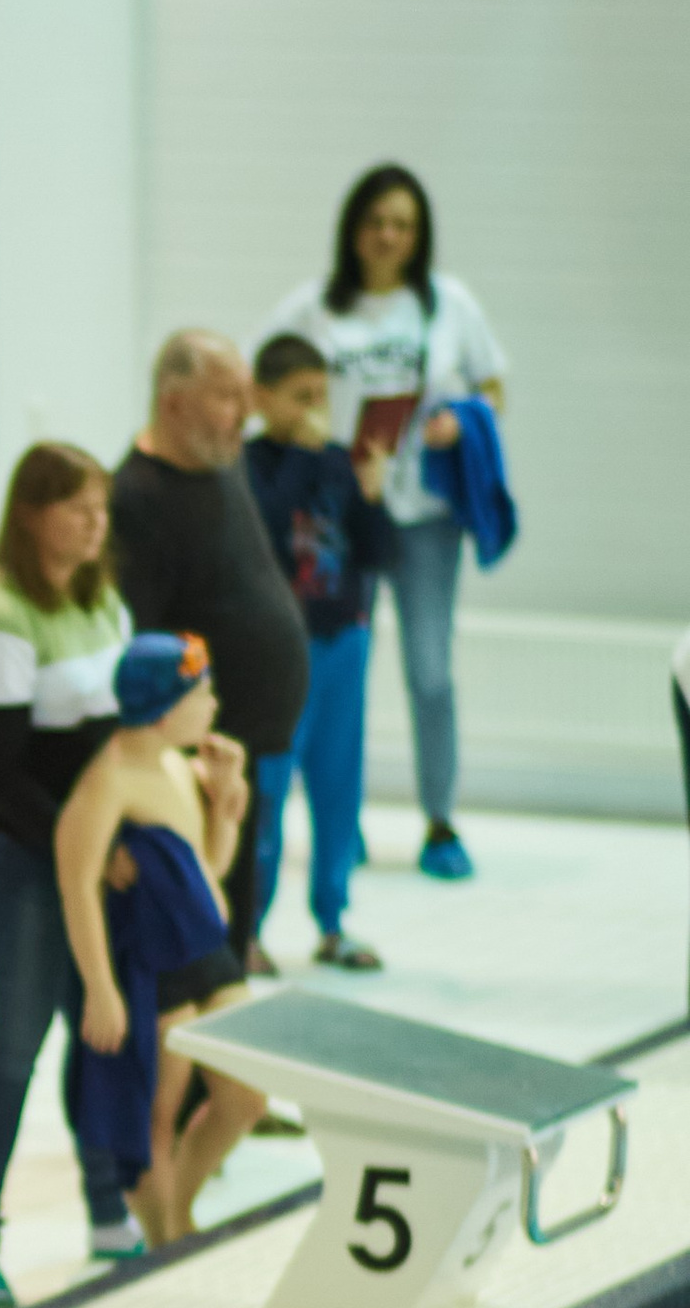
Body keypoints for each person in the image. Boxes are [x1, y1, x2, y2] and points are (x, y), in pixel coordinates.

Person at [260, 167, 508, 885]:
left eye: (403, 223)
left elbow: (493, 383)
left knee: (430, 671)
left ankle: (440, 819)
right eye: (376, 221)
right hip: (340, 507)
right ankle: (345, 823)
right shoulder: (314, 306)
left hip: (424, 511)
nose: (388, 236)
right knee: (344, 668)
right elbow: (264, 371)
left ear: (419, 233)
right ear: (353, 228)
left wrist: (456, 422)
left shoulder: (448, 303)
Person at [0, 441, 136, 1308]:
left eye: (101, 508)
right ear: (31, 514)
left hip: (91, 849)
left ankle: (106, 1209)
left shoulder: (100, 602)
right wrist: (84, 849)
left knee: (100, 1027)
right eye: (77, 509)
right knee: (17, 1044)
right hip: (20, 853)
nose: (97, 523)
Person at [58, 634, 267, 1246]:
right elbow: (76, 886)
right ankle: (163, 1238)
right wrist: (99, 987)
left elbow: (208, 873)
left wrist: (227, 804)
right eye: (202, 695)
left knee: (246, 1097)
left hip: (207, 952)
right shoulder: (108, 782)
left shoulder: (179, 764)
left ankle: (180, 1212)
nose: (214, 706)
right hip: (153, 968)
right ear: (166, 707)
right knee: (156, 1119)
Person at [107, 336, 308, 965]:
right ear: (172, 403)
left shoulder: (222, 465)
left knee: (237, 920)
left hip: (247, 745)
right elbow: (138, 644)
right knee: (200, 941)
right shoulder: (138, 497)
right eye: (226, 396)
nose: (245, 411)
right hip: (201, 754)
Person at [241, 338, 397, 972]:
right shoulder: (250, 465)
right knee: (271, 790)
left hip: (345, 641)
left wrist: (374, 494)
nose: (314, 410)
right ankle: (247, 928)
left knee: (340, 789)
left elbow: (383, 554)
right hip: (284, 650)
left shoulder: (342, 462)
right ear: (263, 398)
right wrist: (306, 458)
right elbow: (270, 533)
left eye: (321, 396)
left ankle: (333, 921)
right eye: (300, 397)